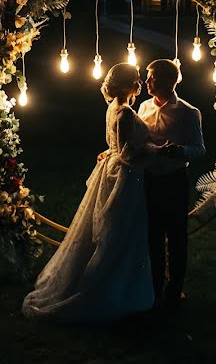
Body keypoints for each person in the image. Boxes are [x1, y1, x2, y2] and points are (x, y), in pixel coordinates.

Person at [22, 63, 156, 322]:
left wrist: (111, 152)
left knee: (111, 229)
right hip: (125, 177)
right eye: (136, 80)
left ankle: (108, 280)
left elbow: (116, 144)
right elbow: (128, 154)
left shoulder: (112, 108)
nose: (139, 83)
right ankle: (110, 287)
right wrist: (156, 149)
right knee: (121, 231)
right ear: (128, 84)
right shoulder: (126, 113)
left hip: (111, 170)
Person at [138, 59, 205, 313]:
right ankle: (154, 287)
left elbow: (200, 149)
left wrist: (180, 151)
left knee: (176, 237)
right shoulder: (143, 107)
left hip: (174, 181)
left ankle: (175, 289)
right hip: (149, 180)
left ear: (168, 81)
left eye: (152, 77)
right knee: (152, 236)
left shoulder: (188, 112)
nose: (147, 82)